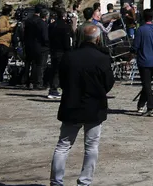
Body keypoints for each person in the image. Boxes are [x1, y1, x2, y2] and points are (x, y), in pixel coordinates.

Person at [49, 24, 115, 186]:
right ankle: (85, 182)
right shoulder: (102, 58)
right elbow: (108, 83)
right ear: (98, 39)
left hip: (71, 104)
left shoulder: (69, 56)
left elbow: (62, 80)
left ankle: (56, 182)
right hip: (94, 106)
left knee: (63, 145)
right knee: (91, 147)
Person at [132, 9, 153, 117]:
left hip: (143, 61)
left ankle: (151, 106)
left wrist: (130, 56)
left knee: (146, 84)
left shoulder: (141, 30)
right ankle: (141, 104)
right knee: (146, 84)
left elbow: (135, 46)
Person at [47, 7, 74, 99]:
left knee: (54, 70)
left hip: (53, 50)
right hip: (62, 51)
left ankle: (53, 88)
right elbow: (67, 41)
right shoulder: (65, 27)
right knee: (60, 71)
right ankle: (55, 89)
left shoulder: (52, 25)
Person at [23, 5, 51, 90]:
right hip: (39, 46)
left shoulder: (28, 20)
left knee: (28, 64)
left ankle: (26, 81)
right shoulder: (41, 23)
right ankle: (36, 82)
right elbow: (44, 36)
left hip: (29, 44)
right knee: (38, 65)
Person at [0, 5, 15, 87]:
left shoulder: (6, 19)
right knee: (0, 63)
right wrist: (10, 28)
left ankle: (0, 80)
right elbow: (1, 30)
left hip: (5, 44)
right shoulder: (2, 19)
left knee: (4, 62)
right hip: (1, 44)